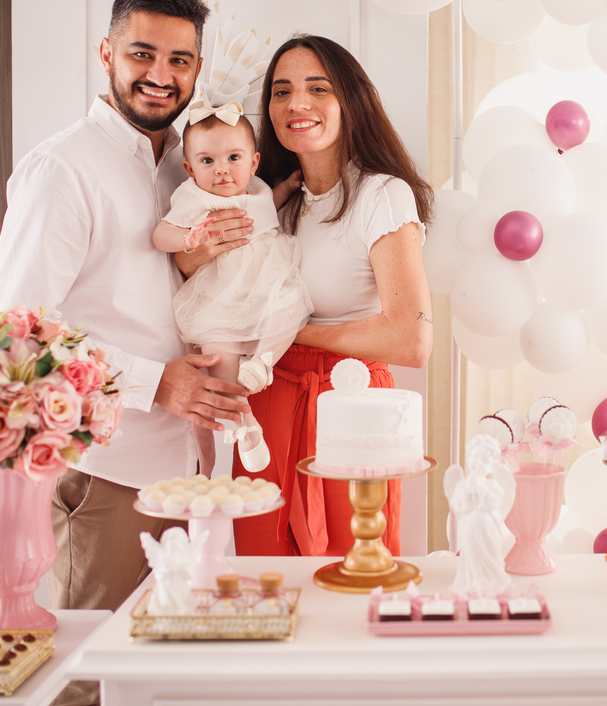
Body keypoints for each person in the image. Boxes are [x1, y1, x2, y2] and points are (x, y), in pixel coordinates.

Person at [0, 0, 253, 706]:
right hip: (105, 474)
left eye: (179, 60)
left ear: (197, 70)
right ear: (105, 53)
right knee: (83, 682)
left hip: (191, 468)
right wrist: (152, 380)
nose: (160, 75)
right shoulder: (62, 168)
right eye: (142, 54)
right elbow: (14, 334)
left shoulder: (187, 163)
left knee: (166, 681)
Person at [180, 34, 433, 557]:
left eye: (318, 88)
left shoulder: (382, 195)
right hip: (269, 399)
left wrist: (289, 334)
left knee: (352, 568)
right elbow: (197, 268)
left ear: (351, 100)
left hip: (349, 403)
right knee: (266, 573)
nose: (297, 103)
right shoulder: (268, 200)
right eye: (281, 91)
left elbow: (411, 340)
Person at [152, 112, 312, 472]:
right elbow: (160, 234)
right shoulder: (194, 197)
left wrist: (288, 187)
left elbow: (268, 207)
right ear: (190, 169)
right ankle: (243, 421)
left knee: (290, 309)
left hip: (266, 278)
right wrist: (188, 238)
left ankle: (262, 362)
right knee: (217, 350)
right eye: (207, 161)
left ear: (253, 163)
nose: (222, 170)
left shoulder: (258, 188)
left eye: (233, 158)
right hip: (220, 290)